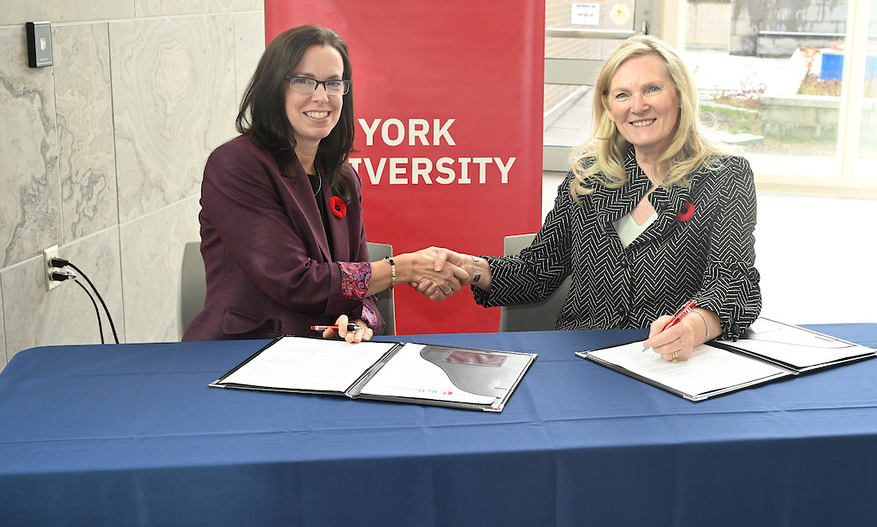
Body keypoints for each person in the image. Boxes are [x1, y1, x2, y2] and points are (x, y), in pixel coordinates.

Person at [424, 34, 761, 362]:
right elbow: (539, 272)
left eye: (652, 89)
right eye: (622, 94)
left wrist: (693, 327)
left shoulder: (723, 176)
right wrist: (472, 268)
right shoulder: (588, 177)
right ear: (608, 106)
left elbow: (733, 282)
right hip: (584, 361)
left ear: (679, 95)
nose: (637, 106)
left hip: (671, 361)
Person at [183, 25, 468, 343]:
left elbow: (361, 284)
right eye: (304, 81)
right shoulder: (237, 164)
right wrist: (403, 268)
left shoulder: (343, 176)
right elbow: (295, 281)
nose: (321, 96)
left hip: (325, 358)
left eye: (333, 83)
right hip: (242, 355)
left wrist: (361, 322)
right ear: (274, 88)